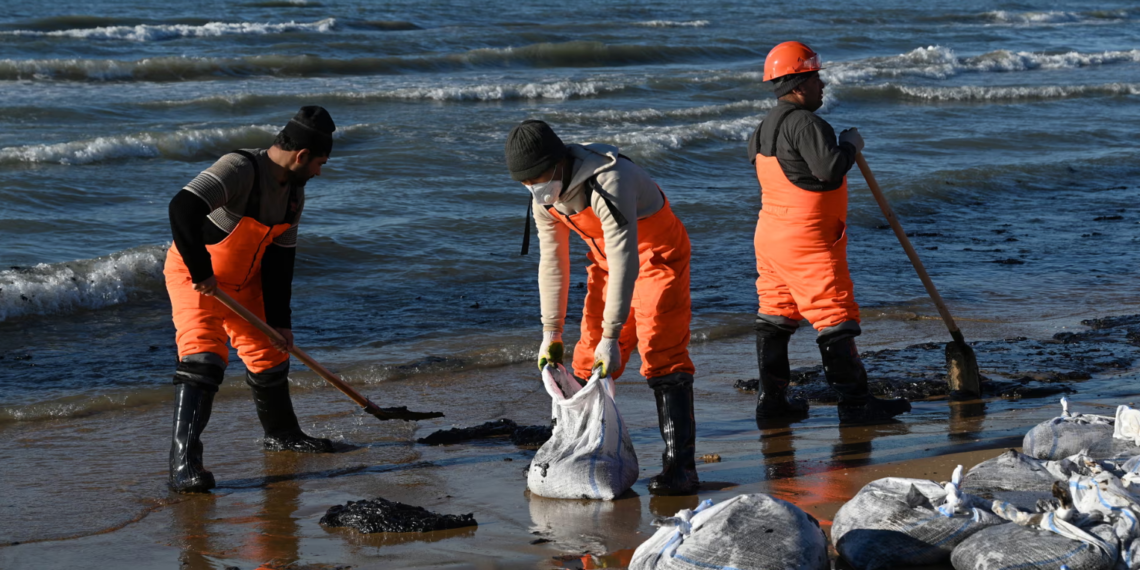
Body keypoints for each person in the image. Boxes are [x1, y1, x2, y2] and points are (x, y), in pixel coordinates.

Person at [505, 120, 698, 495]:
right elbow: (553, 261)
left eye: (539, 177)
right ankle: (573, 452)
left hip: (657, 256)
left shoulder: (610, 180)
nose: (535, 188)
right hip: (608, 262)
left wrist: (614, 335)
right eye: (527, 182)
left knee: (661, 350)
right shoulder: (543, 196)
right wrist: (551, 332)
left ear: (559, 163)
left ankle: (681, 468)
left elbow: (628, 258)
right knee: (584, 357)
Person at [164, 106, 337, 493]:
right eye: (319, 163)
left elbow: (280, 260)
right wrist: (201, 270)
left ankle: (283, 434)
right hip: (197, 279)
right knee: (204, 358)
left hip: (246, 282)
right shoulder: (239, 168)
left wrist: (281, 322)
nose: (319, 173)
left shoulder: (295, 194)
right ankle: (183, 464)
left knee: (272, 352)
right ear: (301, 156)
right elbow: (182, 208)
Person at [747, 42, 910, 424]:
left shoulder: (763, 127)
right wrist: (850, 145)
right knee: (833, 314)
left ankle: (772, 405)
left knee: (776, 315)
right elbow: (830, 169)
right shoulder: (806, 123)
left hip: (770, 235)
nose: (822, 86)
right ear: (799, 84)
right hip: (806, 239)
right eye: (817, 78)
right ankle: (855, 405)